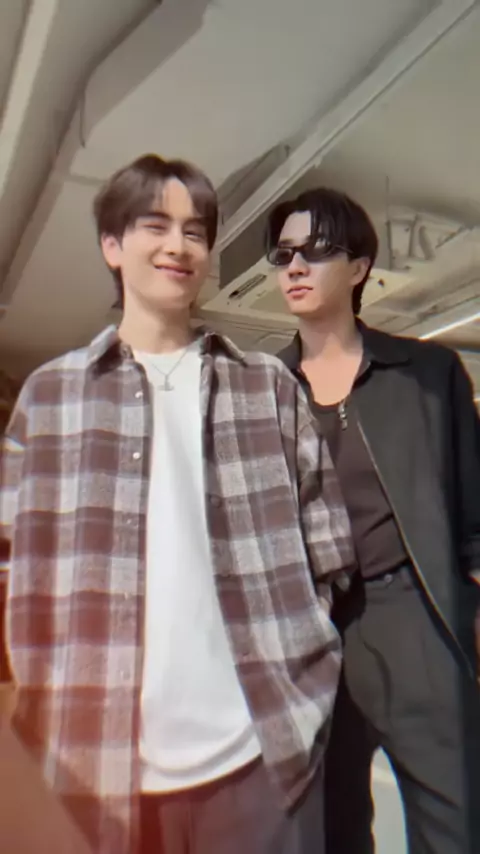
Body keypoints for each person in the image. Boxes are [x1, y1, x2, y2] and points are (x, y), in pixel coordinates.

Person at [0, 156, 354, 854]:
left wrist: (299, 674)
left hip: (264, 761)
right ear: (112, 245)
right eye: (155, 225)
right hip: (93, 768)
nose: (178, 245)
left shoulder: (266, 388)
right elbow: (10, 563)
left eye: (195, 231)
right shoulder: (52, 398)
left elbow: (329, 549)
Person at [266, 187, 480, 854]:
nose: (295, 266)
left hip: (415, 618)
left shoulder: (427, 374)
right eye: (283, 254)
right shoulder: (262, 392)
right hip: (311, 636)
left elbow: (474, 521)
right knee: (327, 832)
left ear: (359, 267)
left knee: (456, 826)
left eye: (316, 250)